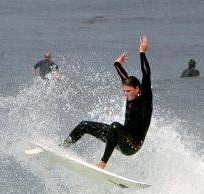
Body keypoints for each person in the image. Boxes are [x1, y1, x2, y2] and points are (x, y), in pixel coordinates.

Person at [61, 36, 152, 169]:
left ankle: (102, 163)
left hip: (132, 145)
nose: (126, 95)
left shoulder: (144, 97)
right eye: (124, 92)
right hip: (120, 138)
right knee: (84, 125)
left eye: (128, 91)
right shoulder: (129, 89)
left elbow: (146, 74)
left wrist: (142, 52)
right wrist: (116, 63)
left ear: (137, 89)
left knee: (114, 126)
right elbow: (123, 76)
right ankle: (63, 148)